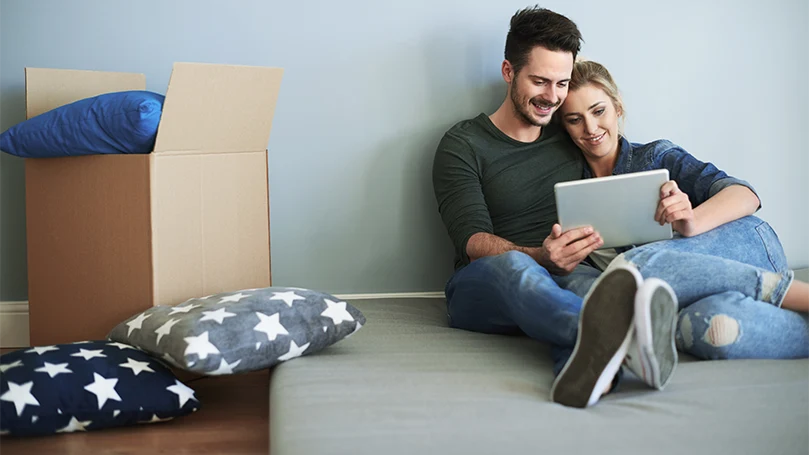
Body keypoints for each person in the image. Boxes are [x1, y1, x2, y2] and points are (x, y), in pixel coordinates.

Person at [432, 6, 680, 409]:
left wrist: (668, 202)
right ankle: (624, 338)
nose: (552, 97)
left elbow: (616, 157)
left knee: (600, 293)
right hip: (484, 285)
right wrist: (539, 256)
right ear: (508, 71)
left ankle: (589, 374)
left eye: (562, 83)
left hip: (569, 274)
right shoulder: (463, 145)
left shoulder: (569, 134)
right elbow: (471, 241)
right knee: (518, 269)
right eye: (540, 81)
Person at [554, 58, 809, 377]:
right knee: (712, 329)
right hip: (689, 295)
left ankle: (781, 289)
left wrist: (692, 221)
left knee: (629, 270)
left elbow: (745, 194)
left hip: (745, 248)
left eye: (598, 111)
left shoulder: (655, 157)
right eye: (575, 119)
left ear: (617, 107)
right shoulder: (567, 186)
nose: (590, 128)